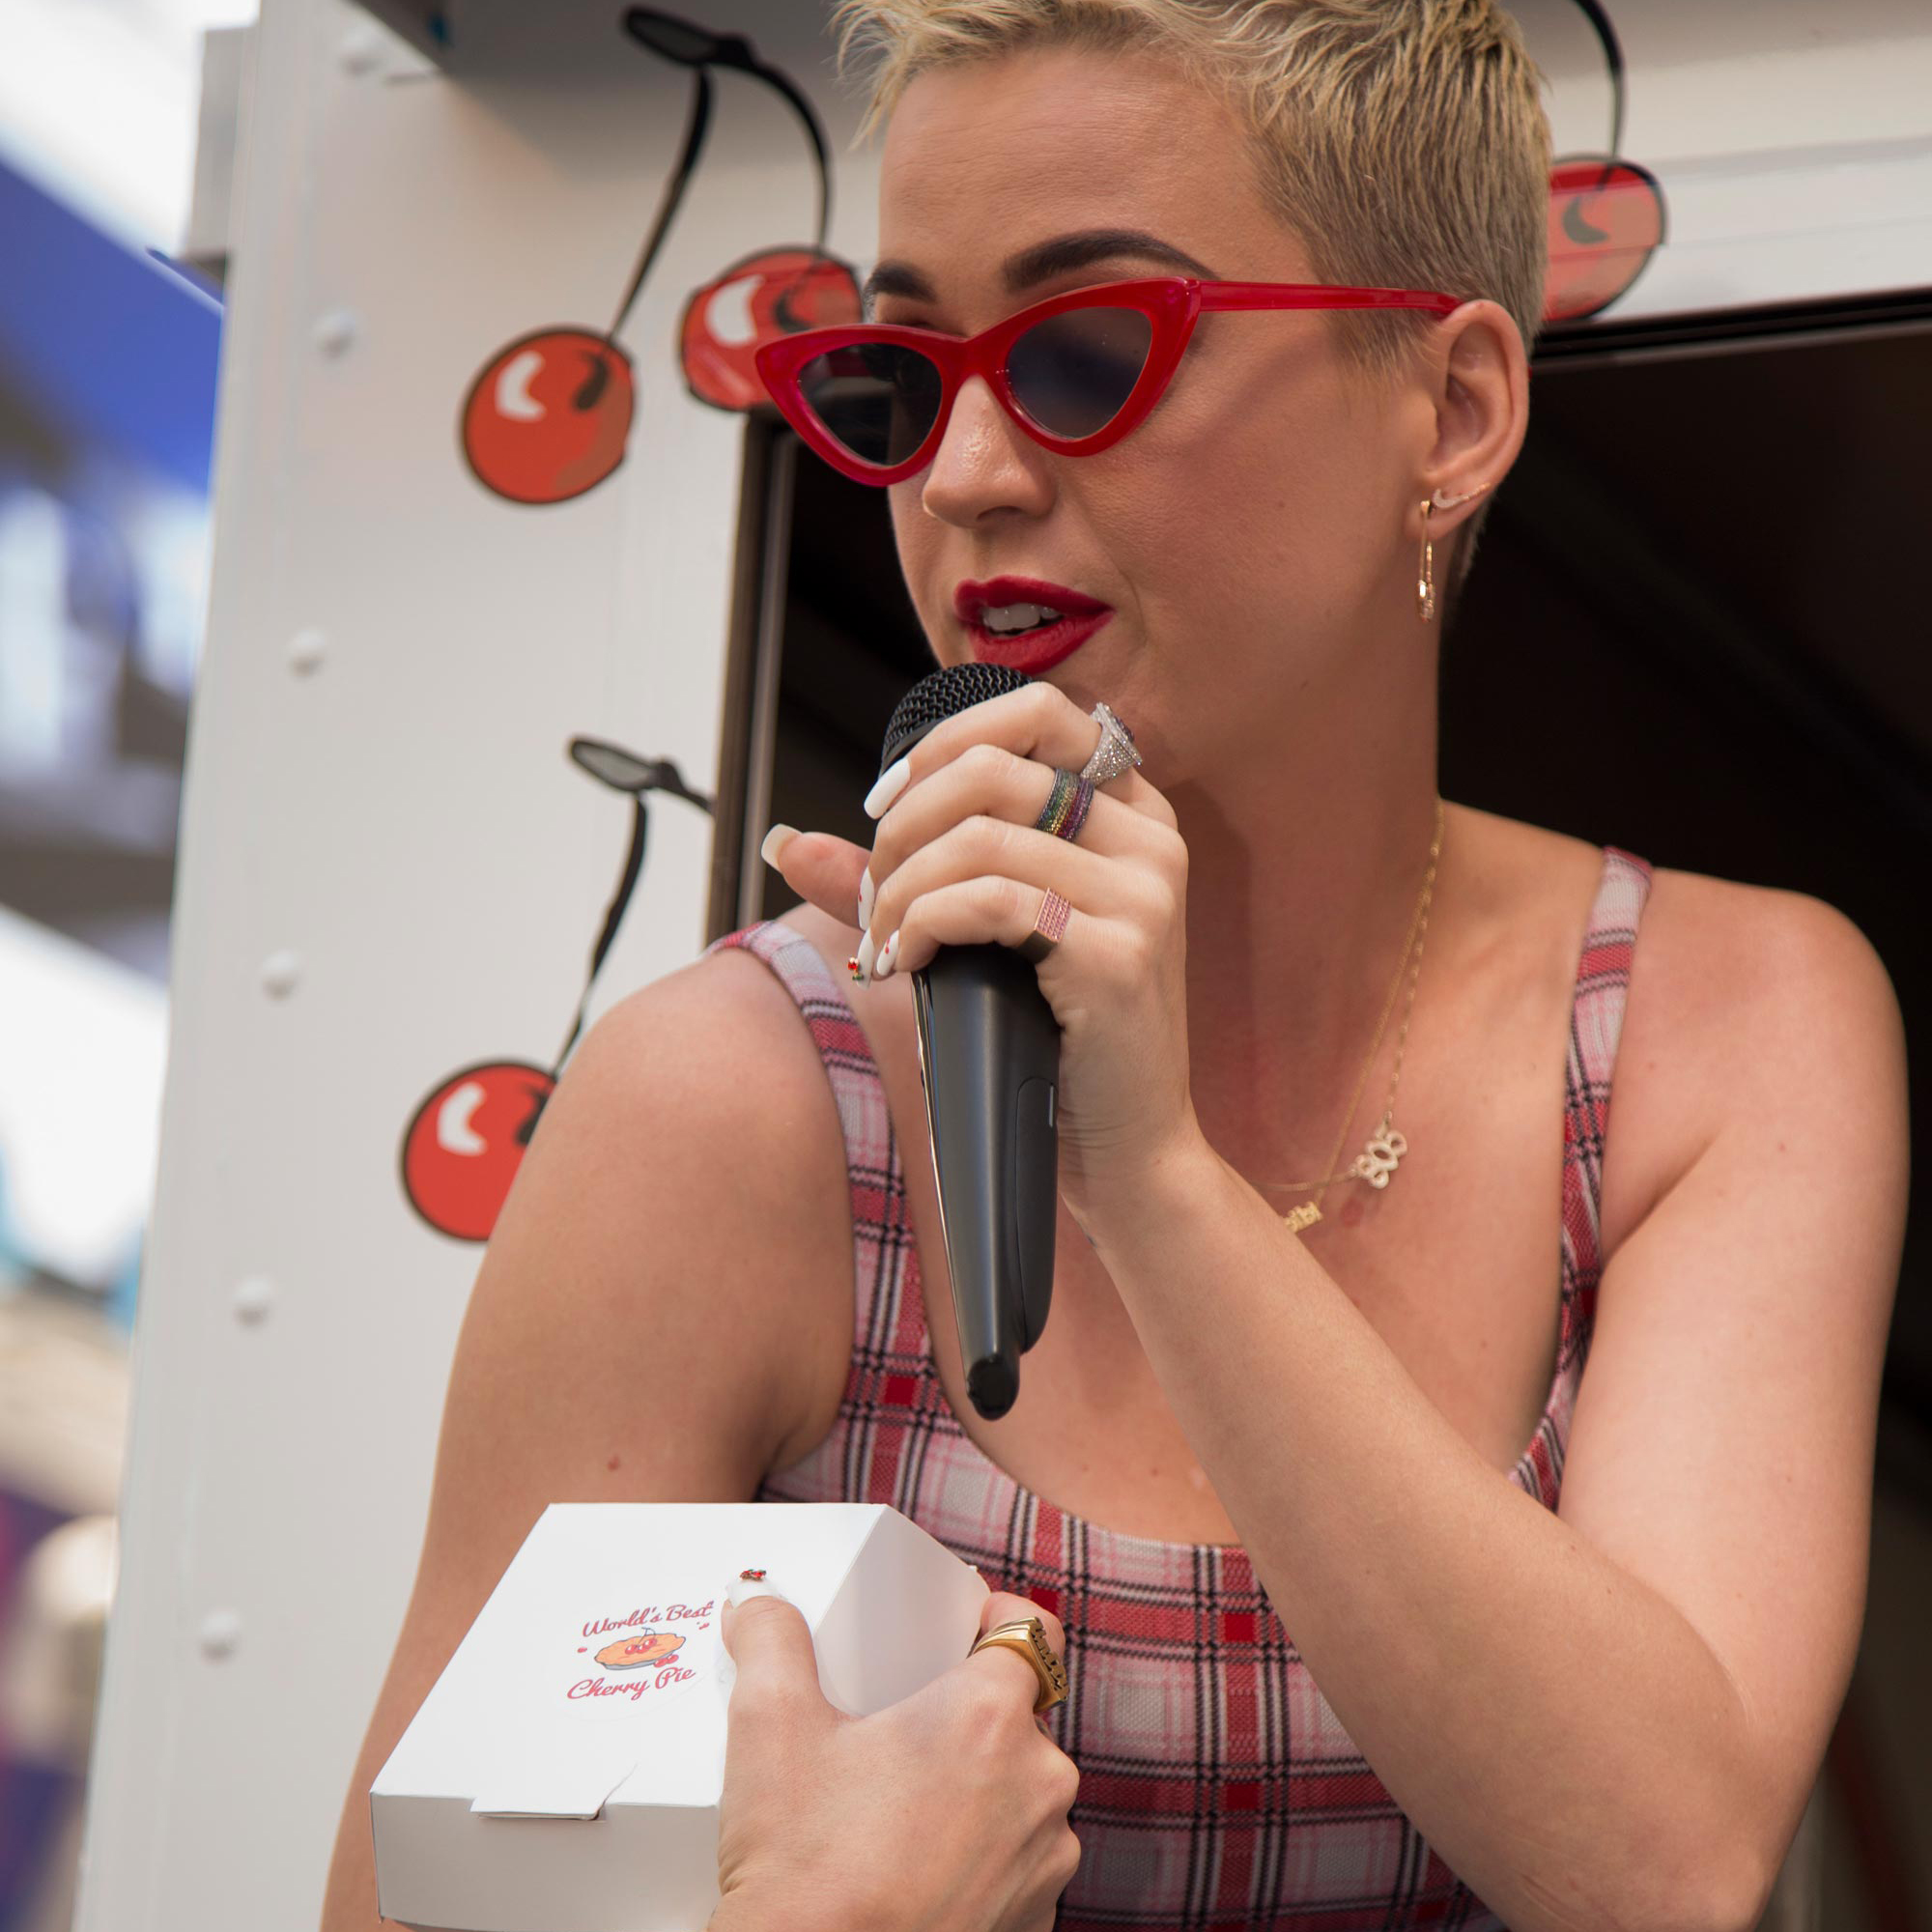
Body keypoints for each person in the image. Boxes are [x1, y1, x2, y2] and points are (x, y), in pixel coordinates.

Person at [323, 4, 1909, 1930]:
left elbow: (1662, 1867)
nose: (968, 473)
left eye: (1089, 352)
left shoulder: (1715, 1023)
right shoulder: (739, 1096)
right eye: (902, 379)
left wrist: (1153, 1179)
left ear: (1451, 410)